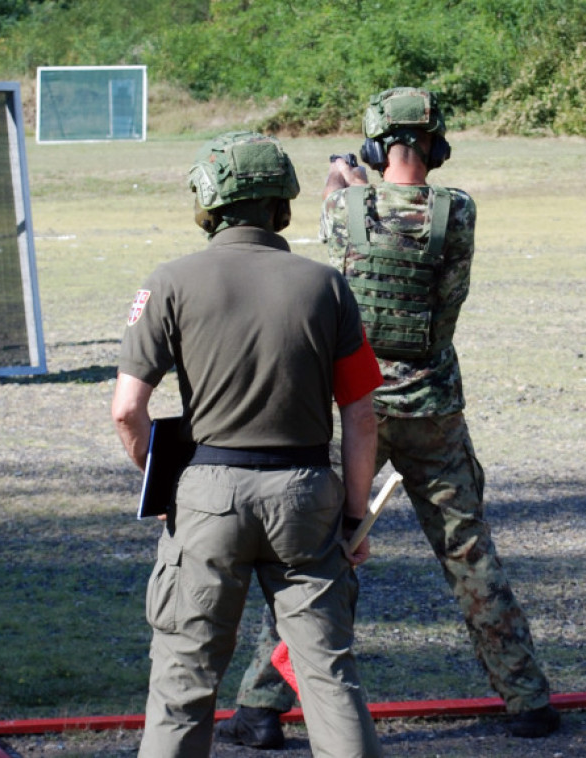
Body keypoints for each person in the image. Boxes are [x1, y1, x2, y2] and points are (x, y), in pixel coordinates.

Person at [217, 87, 560, 748]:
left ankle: (261, 707)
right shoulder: (458, 212)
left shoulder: (342, 207)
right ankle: (528, 700)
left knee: (322, 560)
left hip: (355, 408)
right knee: (469, 554)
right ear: (437, 143)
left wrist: (343, 180)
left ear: (375, 145)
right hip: (434, 406)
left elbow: (343, 221)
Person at [111, 131, 384, 758]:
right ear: (282, 203)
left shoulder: (170, 281)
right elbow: (362, 416)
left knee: (183, 683)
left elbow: (128, 408)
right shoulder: (326, 286)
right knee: (328, 677)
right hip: (307, 496)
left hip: (207, 494)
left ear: (207, 203)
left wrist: (164, 478)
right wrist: (355, 516)